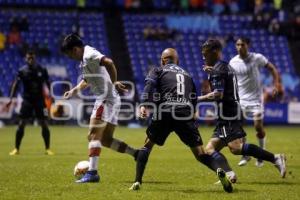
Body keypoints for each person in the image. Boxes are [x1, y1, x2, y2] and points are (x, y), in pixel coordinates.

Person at [130, 48, 235, 193]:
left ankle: (137, 181)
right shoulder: (187, 75)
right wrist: (192, 117)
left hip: (165, 112)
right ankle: (219, 170)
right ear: (177, 61)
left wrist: (143, 104)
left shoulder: (158, 70)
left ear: (163, 60)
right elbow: (192, 99)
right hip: (184, 114)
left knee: (147, 145)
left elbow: (148, 87)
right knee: (200, 153)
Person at [199, 39, 286, 179]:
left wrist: (197, 99)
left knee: (236, 148)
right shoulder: (226, 66)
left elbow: (217, 94)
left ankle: (275, 158)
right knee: (209, 149)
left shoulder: (218, 70)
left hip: (228, 114)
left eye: (205, 53)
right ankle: (230, 174)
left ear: (215, 52)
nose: (203, 57)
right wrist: (213, 71)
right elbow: (225, 77)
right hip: (228, 113)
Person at [61, 33, 138, 183]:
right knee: (105, 139)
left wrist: (114, 82)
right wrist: (74, 91)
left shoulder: (89, 55)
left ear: (75, 49)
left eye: (69, 54)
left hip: (105, 99)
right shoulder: (85, 60)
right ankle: (136, 154)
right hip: (110, 99)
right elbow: (86, 79)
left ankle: (92, 173)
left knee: (93, 135)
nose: (70, 57)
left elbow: (109, 62)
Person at [229, 37, 283, 167]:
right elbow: (230, 79)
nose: (239, 47)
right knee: (238, 128)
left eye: (242, 44)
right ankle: (245, 155)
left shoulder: (257, 58)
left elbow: (272, 69)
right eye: (237, 45)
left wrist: (276, 84)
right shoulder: (233, 62)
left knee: (258, 126)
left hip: (256, 99)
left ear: (248, 45)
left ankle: (261, 155)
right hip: (241, 99)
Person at [6, 50, 54, 155]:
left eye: (32, 58)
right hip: (27, 100)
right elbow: (16, 85)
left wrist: (50, 95)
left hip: (40, 100)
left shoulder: (42, 70)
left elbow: (47, 83)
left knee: (44, 124)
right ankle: (16, 149)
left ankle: (47, 149)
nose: (30, 60)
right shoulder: (22, 71)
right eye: (28, 58)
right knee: (21, 124)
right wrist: (10, 98)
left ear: (35, 58)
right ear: (26, 58)